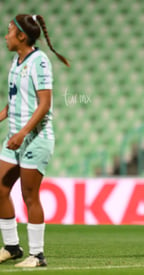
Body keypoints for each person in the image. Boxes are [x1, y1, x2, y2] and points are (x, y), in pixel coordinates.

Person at [0, 14, 69, 267]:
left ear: (21, 36)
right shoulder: (15, 61)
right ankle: (11, 247)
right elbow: (15, 98)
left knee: (30, 195)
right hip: (14, 138)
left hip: (34, 139)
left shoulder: (39, 61)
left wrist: (22, 134)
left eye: (9, 31)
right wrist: (3, 117)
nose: (5, 36)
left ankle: (37, 255)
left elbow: (44, 104)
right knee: (0, 188)